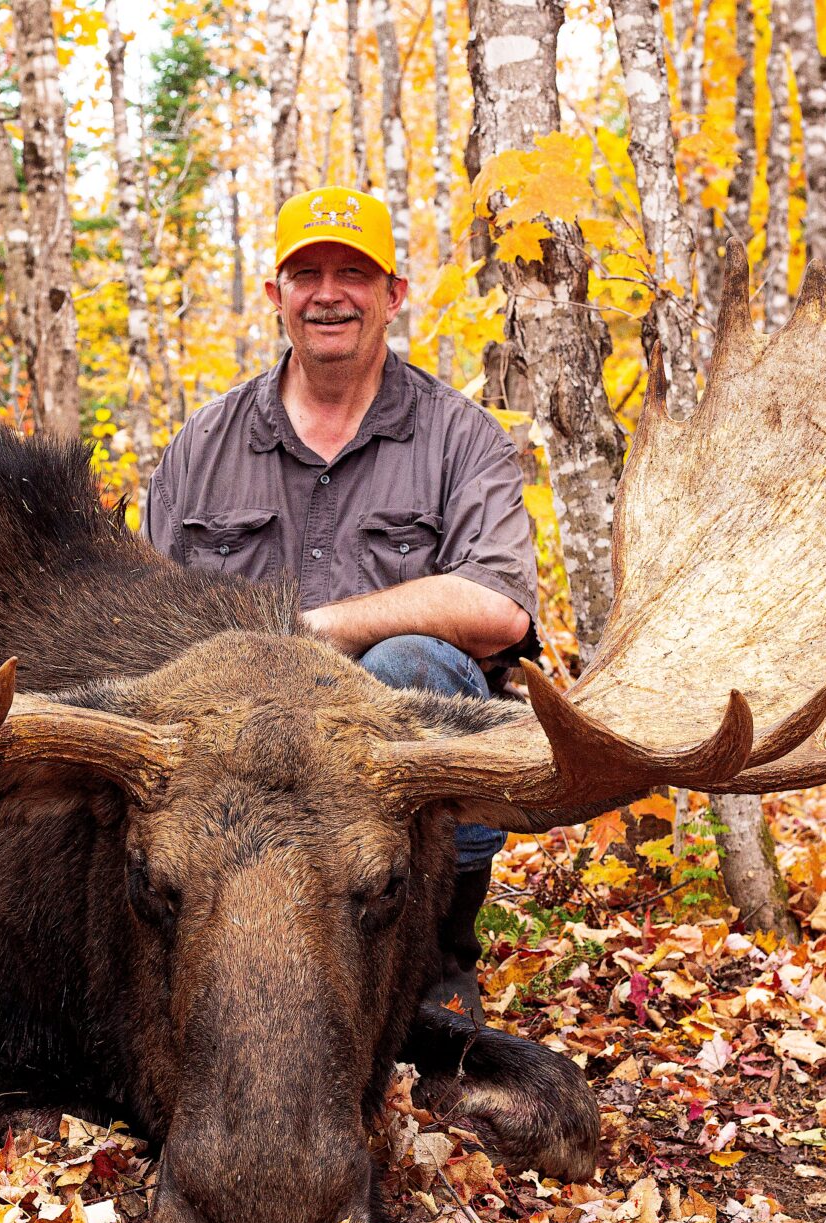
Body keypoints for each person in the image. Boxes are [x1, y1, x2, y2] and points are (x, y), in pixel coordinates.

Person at [145, 185, 538, 1016]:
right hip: (234, 774)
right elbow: (141, 625)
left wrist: (323, 630)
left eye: (353, 273)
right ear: (276, 296)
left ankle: (433, 963)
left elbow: (500, 606)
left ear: (394, 294)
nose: (329, 294)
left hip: (390, 770)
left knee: (409, 666)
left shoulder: (458, 436)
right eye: (307, 273)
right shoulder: (203, 448)